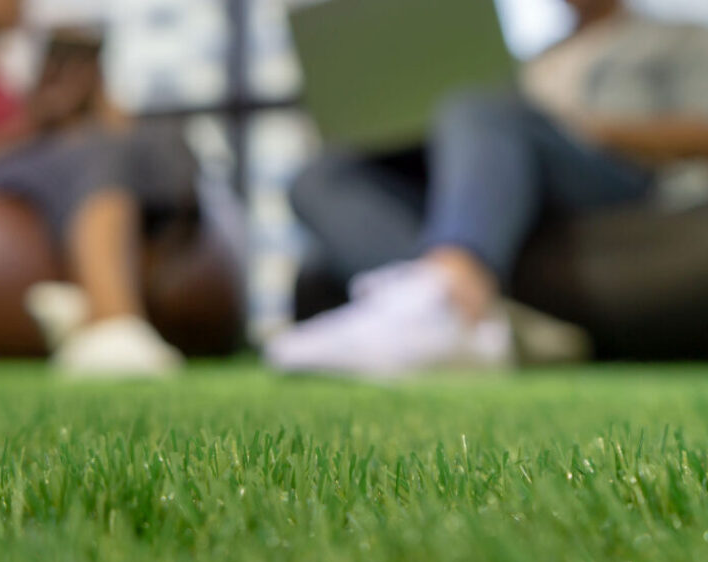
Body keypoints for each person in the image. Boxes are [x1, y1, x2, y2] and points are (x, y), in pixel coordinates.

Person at [267, 0, 708, 378]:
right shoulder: (531, 62)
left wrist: (595, 130)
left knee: (479, 107)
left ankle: (453, 298)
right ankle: (464, 315)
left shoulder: (677, 38)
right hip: (513, 193)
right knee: (326, 173)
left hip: (614, 180)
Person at [0, 0, 197, 377]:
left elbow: (115, 127)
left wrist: (89, 94)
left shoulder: (9, 72)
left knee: (140, 144)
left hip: (42, 171)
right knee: (94, 157)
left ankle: (84, 310)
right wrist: (34, 122)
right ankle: (111, 319)